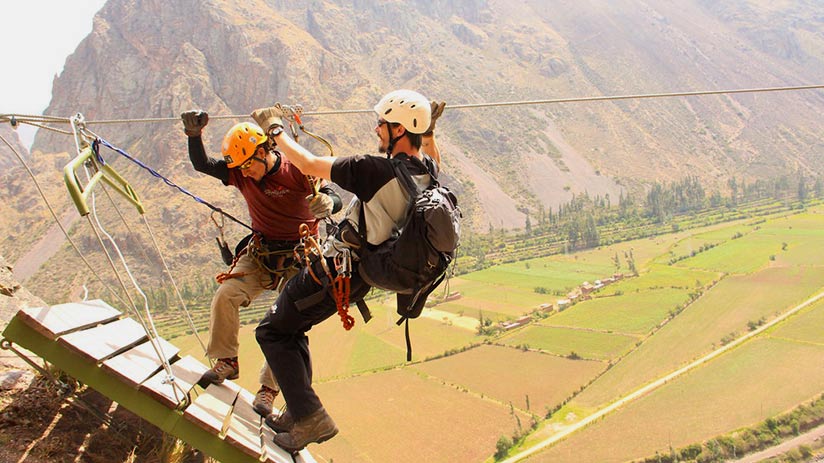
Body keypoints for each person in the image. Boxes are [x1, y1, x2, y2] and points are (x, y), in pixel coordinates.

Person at [251, 90, 445, 452]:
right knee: (294, 327)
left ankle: (311, 418)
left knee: (272, 331)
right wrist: (430, 133)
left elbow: (307, 164)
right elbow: (435, 156)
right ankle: (298, 410)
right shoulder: (427, 172)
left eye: (383, 125)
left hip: (335, 271)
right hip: (360, 275)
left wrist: (274, 129)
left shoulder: (374, 170)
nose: (377, 129)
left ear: (400, 130)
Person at [181, 110, 343, 417]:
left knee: (286, 321)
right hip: (262, 253)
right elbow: (202, 165)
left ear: (262, 151)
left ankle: (269, 390)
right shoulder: (240, 173)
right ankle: (226, 361)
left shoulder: (296, 170)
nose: (244, 173)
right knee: (225, 295)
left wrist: (328, 204)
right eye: (239, 168)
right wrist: (194, 135)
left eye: (247, 165)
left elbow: (331, 194)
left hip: (300, 254)